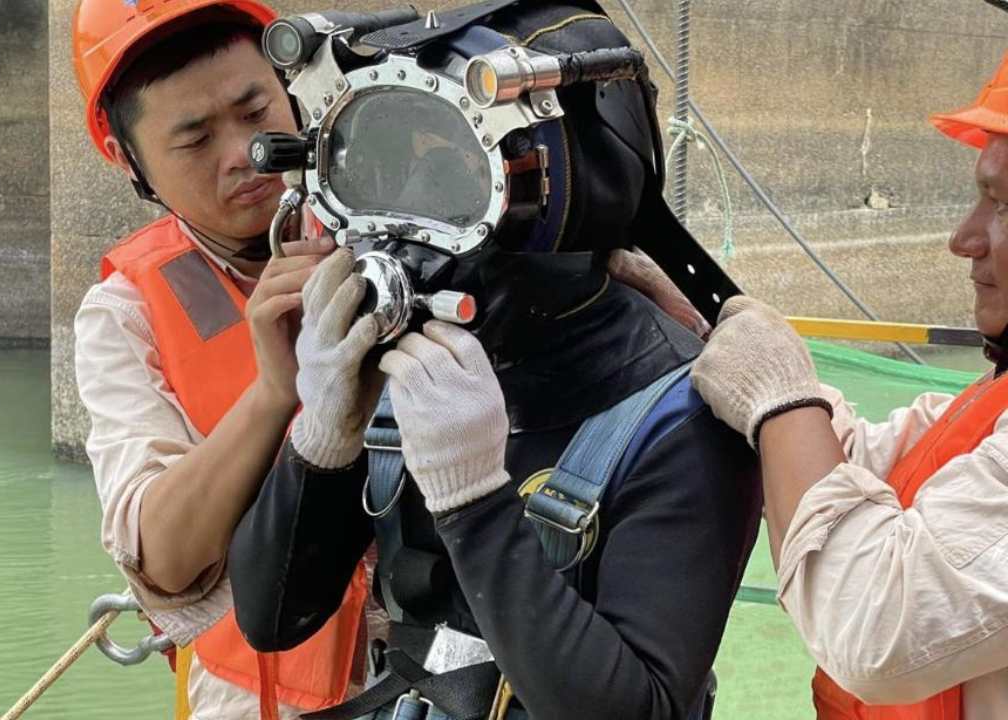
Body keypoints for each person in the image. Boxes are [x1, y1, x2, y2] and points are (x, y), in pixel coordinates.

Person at [227, 3, 764, 719]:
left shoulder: (679, 413)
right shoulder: (403, 368)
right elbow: (272, 617)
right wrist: (322, 438)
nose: (402, 225)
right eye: (380, 175)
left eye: (453, 178)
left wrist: (473, 502)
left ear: (559, 199)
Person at [69, 1, 370, 718]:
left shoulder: (407, 223)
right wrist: (274, 392)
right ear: (127, 159)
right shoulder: (127, 313)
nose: (246, 153)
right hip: (258, 698)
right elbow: (163, 559)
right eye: (195, 138)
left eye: (255, 108)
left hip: (460, 665)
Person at [690, 52, 1008, 719]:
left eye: (1003, 205)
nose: (964, 238)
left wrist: (782, 403)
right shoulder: (991, 406)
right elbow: (869, 468)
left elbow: (878, 627)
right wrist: (711, 336)